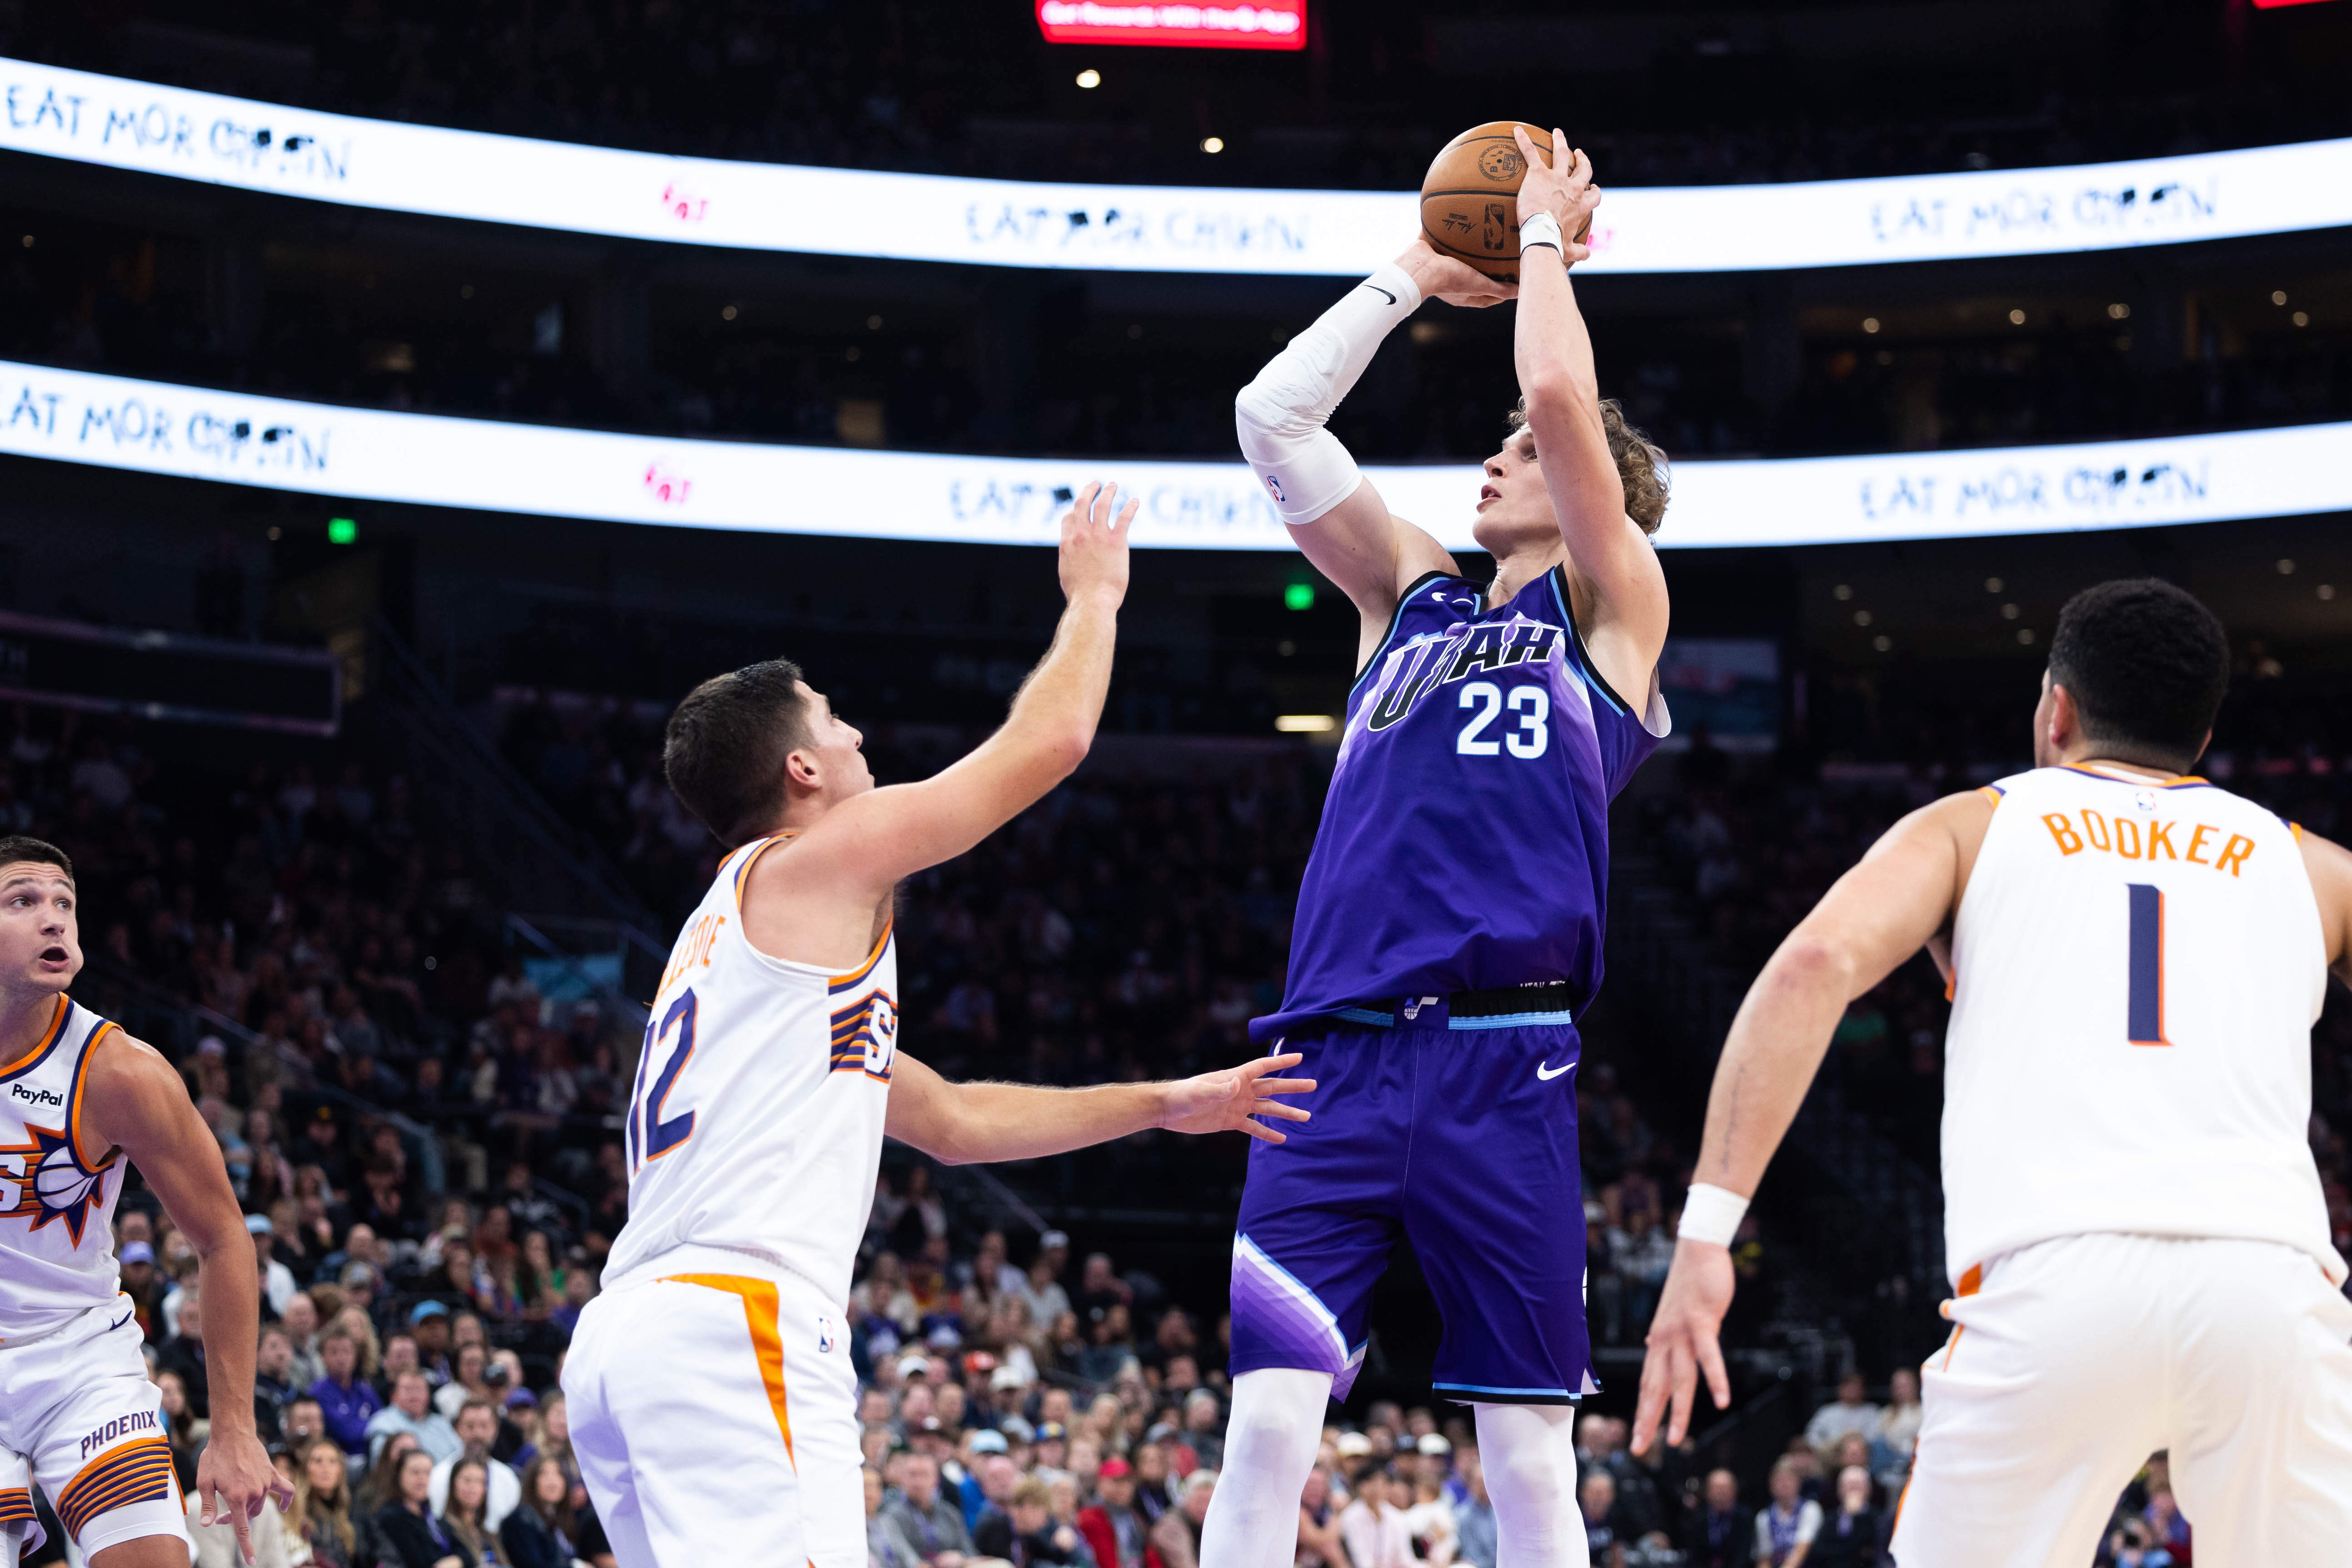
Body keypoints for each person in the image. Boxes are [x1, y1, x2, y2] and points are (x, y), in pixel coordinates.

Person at [560, 483, 1316, 1568]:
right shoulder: (812, 862)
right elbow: (1050, 742)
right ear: (800, 768)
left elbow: (955, 1121)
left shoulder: (738, 948)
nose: (859, 732)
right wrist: (1095, 596)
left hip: (631, 1339)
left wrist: (1167, 1101)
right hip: (735, 1318)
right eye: (834, 718)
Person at [1634, 577, 2352, 1561]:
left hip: (2053, 1278)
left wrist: (1708, 1231)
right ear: (2202, 732)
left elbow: (1812, 964)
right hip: (2268, 1283)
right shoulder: (2308, 863)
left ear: (2056, 708)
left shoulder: (1974, 825)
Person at [1203, 134, 1672, 1568]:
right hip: (1328, 1059)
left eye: (1520, 455)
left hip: (1502, 1060)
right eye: (1500, 447)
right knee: (1265, 1431)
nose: (1496, 455)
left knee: (1526, 1458)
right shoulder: (1407, 595)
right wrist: (1415, 267)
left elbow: (1557, 396)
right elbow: (1272, 418)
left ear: (1591, 496)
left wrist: (1537, 239)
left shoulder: (1613, 612)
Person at [0, 836, 289, 1567]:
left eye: (64, 902)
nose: (54, 918)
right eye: (23, 900)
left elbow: (224, 1237)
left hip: (79, 1360)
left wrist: (234, 1427)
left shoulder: (120, 1072)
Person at [429, 1402, 521, 1533]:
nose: (477, 1434)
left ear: (495, 1430)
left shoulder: (508, 1479)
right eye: (470, 1426)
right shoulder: (438, 1476)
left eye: (484, 1426)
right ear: (457, 1429)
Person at [374, 1448, 468, 1568]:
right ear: (399, 1474)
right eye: (415, 1472)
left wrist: (457, 1560)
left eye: (428, 1473)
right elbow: (419, 1562)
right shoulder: (391, 1516)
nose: (422, 1479)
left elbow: (466, 1554)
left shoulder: (431, 1514)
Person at [973, 1476, 1089, 1564]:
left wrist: (1068, 1541)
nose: (1045, 1521)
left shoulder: (1030, 1536)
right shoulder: (993, 1528)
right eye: (1045, 1514)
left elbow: (1057, 1558)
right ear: (1029, 1506)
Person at [286, 1435, 360, 1568]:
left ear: (341, 1470)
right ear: (305, 1468)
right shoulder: (293, 1513)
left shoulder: (353, 1513)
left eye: (332, 1461)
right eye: (318, 1461)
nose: (326, 1468)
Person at [310, 1328, 383, 1459]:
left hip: (369, 1458)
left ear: (355, 1356)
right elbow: (348, 1433)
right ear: (322, 1357)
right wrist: (373, 1425)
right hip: (337, 1459)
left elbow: (384, 1422)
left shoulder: (366, 1391)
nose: (341, 1358)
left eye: (347, 1352)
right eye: (334, 1352)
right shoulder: (317, 1393)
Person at [370, 1370, 464, 1464]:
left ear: (428, 1394)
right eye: (408, 1389)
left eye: (419, 1389)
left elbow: (461, 1454)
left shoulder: (441, 1423)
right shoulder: (383, 1424)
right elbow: (383, 1465)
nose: (415, 1395)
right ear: (394, 1395)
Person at [497, 1458, 576, 1568]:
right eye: (544, 1474)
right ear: (533, 1481)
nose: (552, 1481)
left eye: (559, 1474)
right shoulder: (520, 1521)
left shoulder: (555, 1520)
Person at [1807, 1467, 1883, 1568]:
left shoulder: (1878, 1518)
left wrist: (1857, 1516)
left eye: (1858, 1486)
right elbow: (1819, 1552)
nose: (1853, 1491)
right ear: (1839, 1491)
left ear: (1868, 1490)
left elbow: (1872, 1552)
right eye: (1849, 1486)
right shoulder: (1830, 1519)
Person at [1752, 1459, 1820, 1568]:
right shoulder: (1764, 1517)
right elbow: (1764, 1558)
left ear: (1799, 1483)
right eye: (1779, 1480)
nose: (1784, 1485)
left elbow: (1802, 1550)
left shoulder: (1810, 1509)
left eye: (1789, 1480)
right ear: (1771, 1485)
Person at [1801, 1375, 1879, 1468]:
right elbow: (1811, 1435)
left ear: (1862, 1391)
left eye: (1855, 1388)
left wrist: (1851, 1440)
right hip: (1831, 1456)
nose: (1852, 1391)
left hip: (1860, 1456)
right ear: (1840, 1390)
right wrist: (1826, 1446)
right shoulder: (1827, 1411)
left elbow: (1874, 1437)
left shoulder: (1871, 1411)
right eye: (1849, 1388)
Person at [1681, 1468, 1752, 1568]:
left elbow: (1743, 1556)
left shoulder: (1745, 1518)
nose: (1720, 1493)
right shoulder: (1698, 1519)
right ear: (1707, 1492)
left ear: (1735, 1491)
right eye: (1716, 1488)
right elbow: (1694, 1556)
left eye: (1725, 1488)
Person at [1148, 1469, 1216, 1568]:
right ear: (1186, 1499)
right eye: (1200, 1501)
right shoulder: (1171, 1526)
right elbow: (1185, 1565)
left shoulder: (1204, 1524)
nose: (1203, 1508)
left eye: (1209, 1502)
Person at [442, 1458, 504, 1568]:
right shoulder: (442, 1529)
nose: (473, 1487)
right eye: (467, 1480)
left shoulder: (486, 1533)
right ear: (453, 1483)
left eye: (480, 1482)